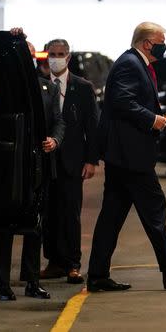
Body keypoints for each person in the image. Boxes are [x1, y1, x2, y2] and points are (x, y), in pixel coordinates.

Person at [87, 22, 166, 292]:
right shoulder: (131, 63)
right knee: (155, 211)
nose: (164, 45)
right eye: (160, 40)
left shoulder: (135, 63)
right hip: (131, 155)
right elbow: (121, 101)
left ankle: (97, 275)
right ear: (146, 43)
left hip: (123, 154)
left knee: (111, 217)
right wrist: (152, 119)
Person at [0, 38, 65, 301]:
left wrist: (55, 140)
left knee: (35, 226)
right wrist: (14, 40)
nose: (27, 58)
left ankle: (32, 281)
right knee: (5, 226)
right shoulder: (5, 85)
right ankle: (1, 285)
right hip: (9, 167)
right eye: (22, 54)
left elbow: (59, 121)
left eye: (30, 54)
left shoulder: (47, 87)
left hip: (38, 166)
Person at [40, 38, 99, 284]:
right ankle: (54, 262)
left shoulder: (83, 88)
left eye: (60, 53)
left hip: (73, 161)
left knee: (70, 213)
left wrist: (91, 160)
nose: (56, 57)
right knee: (48, 213)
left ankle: (73, 264)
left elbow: (92, 127)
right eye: (52, 53)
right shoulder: (39, 85)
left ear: (68, 57)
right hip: (46, 160)